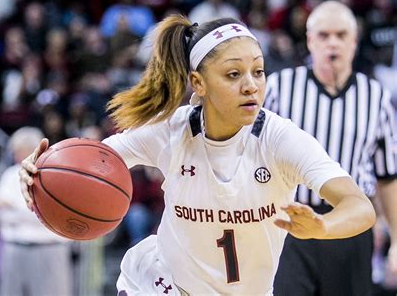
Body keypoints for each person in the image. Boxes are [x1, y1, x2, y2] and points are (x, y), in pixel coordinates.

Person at [19, 15, 376, 295]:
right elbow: (89, 165)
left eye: (258, 71)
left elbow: (360, 207)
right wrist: (39, 176)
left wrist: (323, 226)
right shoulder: (170, 131)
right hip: (165, 285)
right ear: (198, 83)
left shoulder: (280, 139)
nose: (251, 84)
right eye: (234, 74)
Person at [263, 0, 397, 296]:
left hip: (350, 225)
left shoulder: (376, 97)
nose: (332, 43)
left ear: (354, 42)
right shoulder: (278, 87)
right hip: (288, 222)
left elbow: (388, 176)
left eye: (340, 35)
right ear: (310, 41)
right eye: (323, 36)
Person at [0, 126, 73, 296]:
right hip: (14, 247)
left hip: (48, 248)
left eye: (18, 150)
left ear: (32, 149)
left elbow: (45, 216)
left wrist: (9, 205)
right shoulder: (10, 174)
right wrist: (8, 207)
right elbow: (2, 215)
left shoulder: (55, 172)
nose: (15, 155)